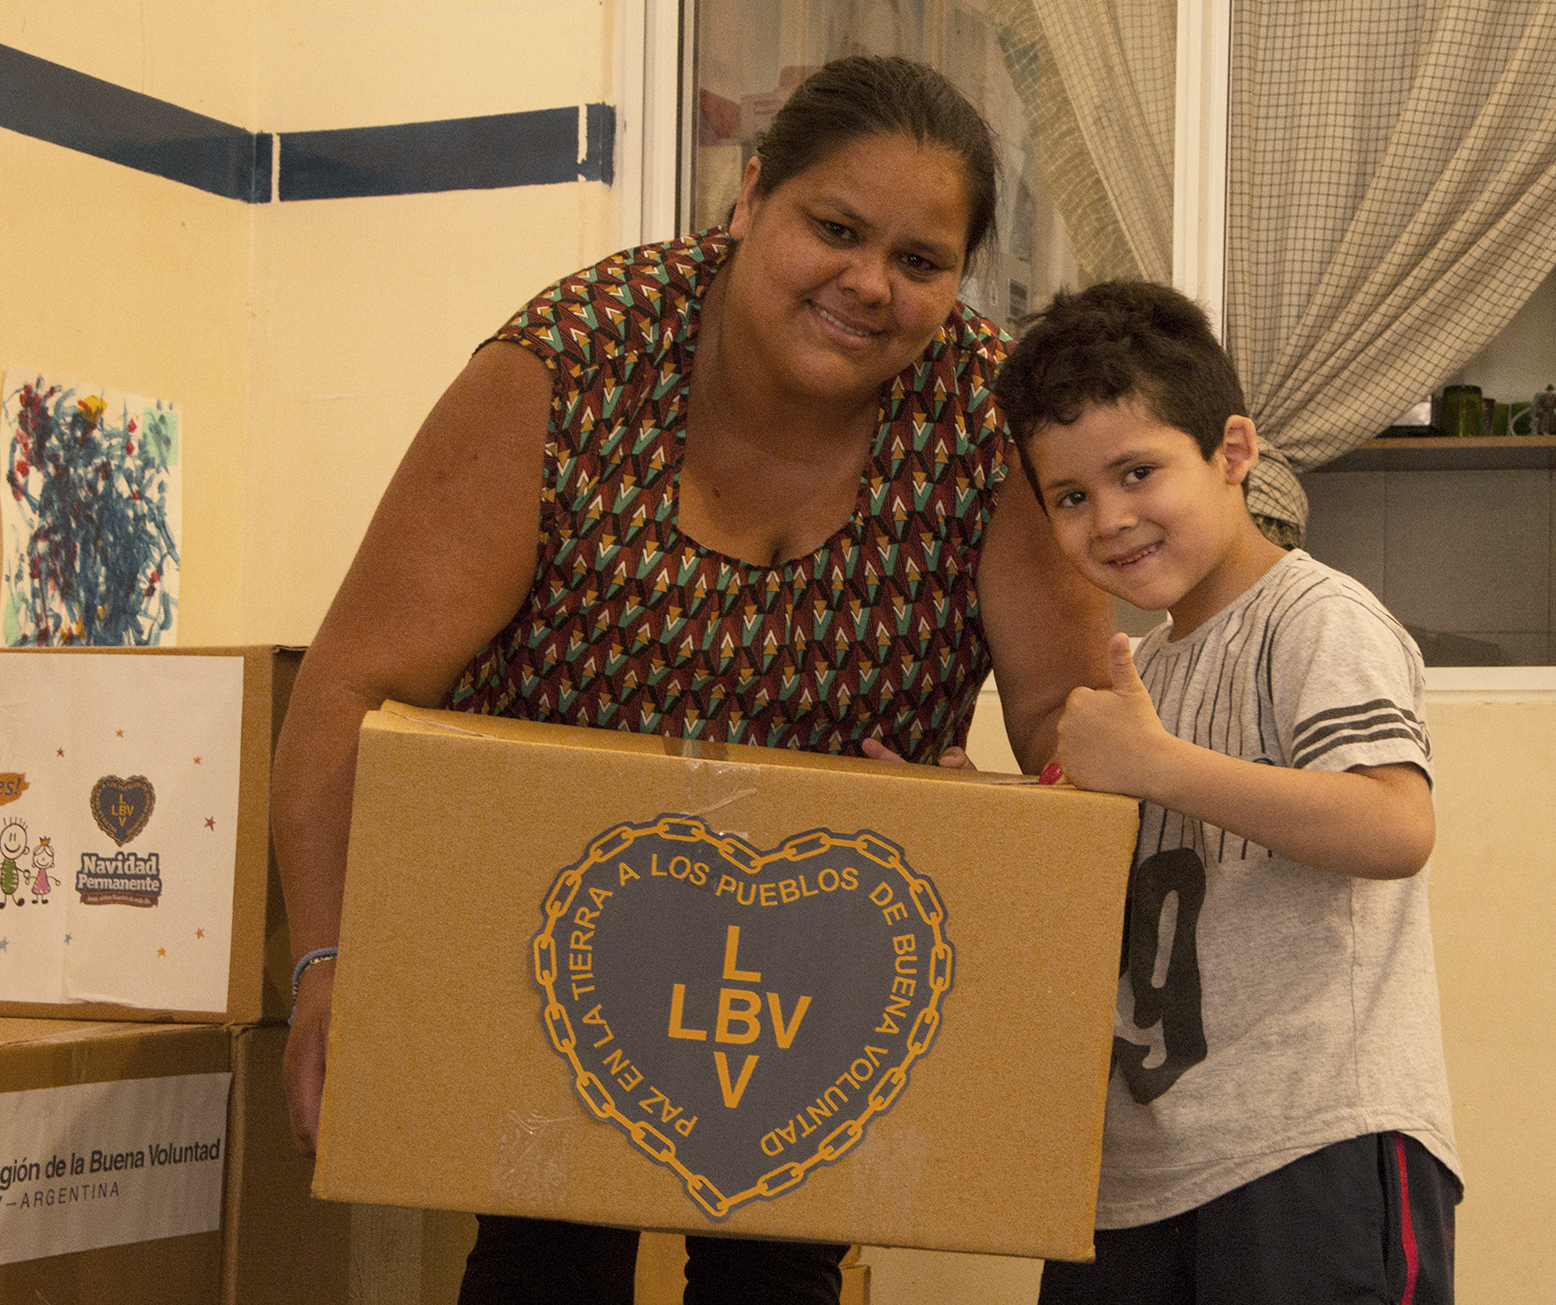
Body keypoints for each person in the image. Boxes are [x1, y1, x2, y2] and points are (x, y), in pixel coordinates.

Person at [271, 55, 1112, 1305]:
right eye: (834, 229)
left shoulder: (985, 422)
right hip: (560, 929)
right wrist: (328, 967)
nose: (868, 285)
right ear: (751, 197)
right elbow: (351, 689)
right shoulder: (572, 363)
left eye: (920, 261)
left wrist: (1014, 835)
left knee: (777, 1266)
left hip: (819, 962)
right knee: (543, 1255)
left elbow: (1070, 724)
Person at [996, 281, 1463, 1304]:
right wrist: (968, 823)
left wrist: (1156, 766)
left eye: (1137, 472)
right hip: (1135, 1175)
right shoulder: (1148, 674)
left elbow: (1394, 823)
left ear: (1232, 452)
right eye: (1069, 497)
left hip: (1309, 1142)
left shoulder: (1317, 618)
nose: (1109, 520)